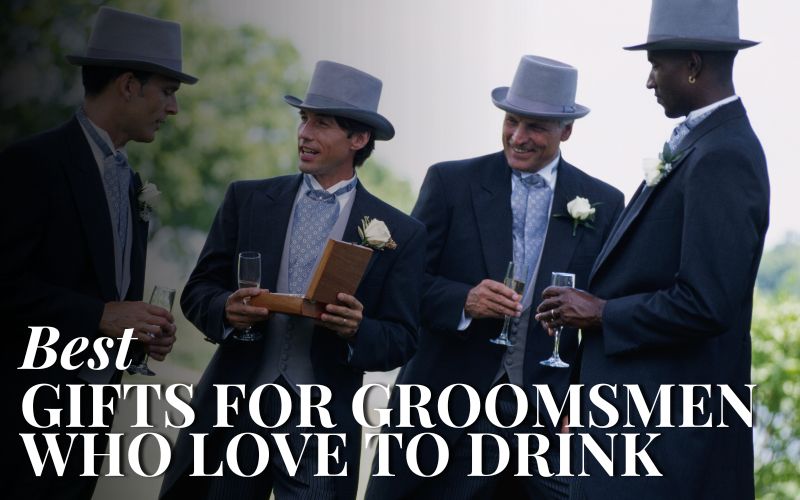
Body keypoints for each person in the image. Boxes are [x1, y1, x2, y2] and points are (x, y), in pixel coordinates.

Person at [159, 60, 426, 500]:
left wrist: (358, 329)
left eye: (321, 123)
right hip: (233, 414)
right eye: (303, 119)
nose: (304, 133)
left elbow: (402, 338)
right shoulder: (247, 199)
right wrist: (226, 309)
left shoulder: (400, 232)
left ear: (359, 139)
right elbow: (198, 291)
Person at [534, 1, 768, 498]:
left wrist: (601, 312)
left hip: (668, 445)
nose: (649, 81)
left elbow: (707, 303)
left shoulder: (724, 156)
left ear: (692, 65)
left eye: (655, 65)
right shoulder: (700, 146)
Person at [365, 55, 624, 500]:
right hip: (437, 409)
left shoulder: (603, 203)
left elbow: (602, 315)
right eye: (511, 121)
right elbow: (400, 285)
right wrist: (462, 301)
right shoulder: (450, 182)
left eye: (535, 126)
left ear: (567, 130)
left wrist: (578, 402)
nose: (518, 137)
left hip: (537, 426)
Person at [0, 6, 196, 499]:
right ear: (128, 85)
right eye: (167, 92)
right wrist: (101, 315)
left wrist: (141, 336)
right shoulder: (31, 164)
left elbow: (111, 297)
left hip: (90, 418)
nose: (172, 109)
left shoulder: (132, 183)